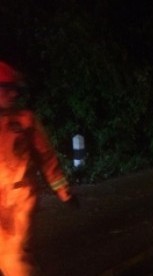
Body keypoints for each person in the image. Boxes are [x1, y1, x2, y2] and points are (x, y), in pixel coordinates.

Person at [0, 60, 78, 275]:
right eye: (8, 90)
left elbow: (46, 157)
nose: (14, 95)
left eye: (15, 90)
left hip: (19, 199)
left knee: (12, 256)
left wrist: (64, 192)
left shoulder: (25, 121)